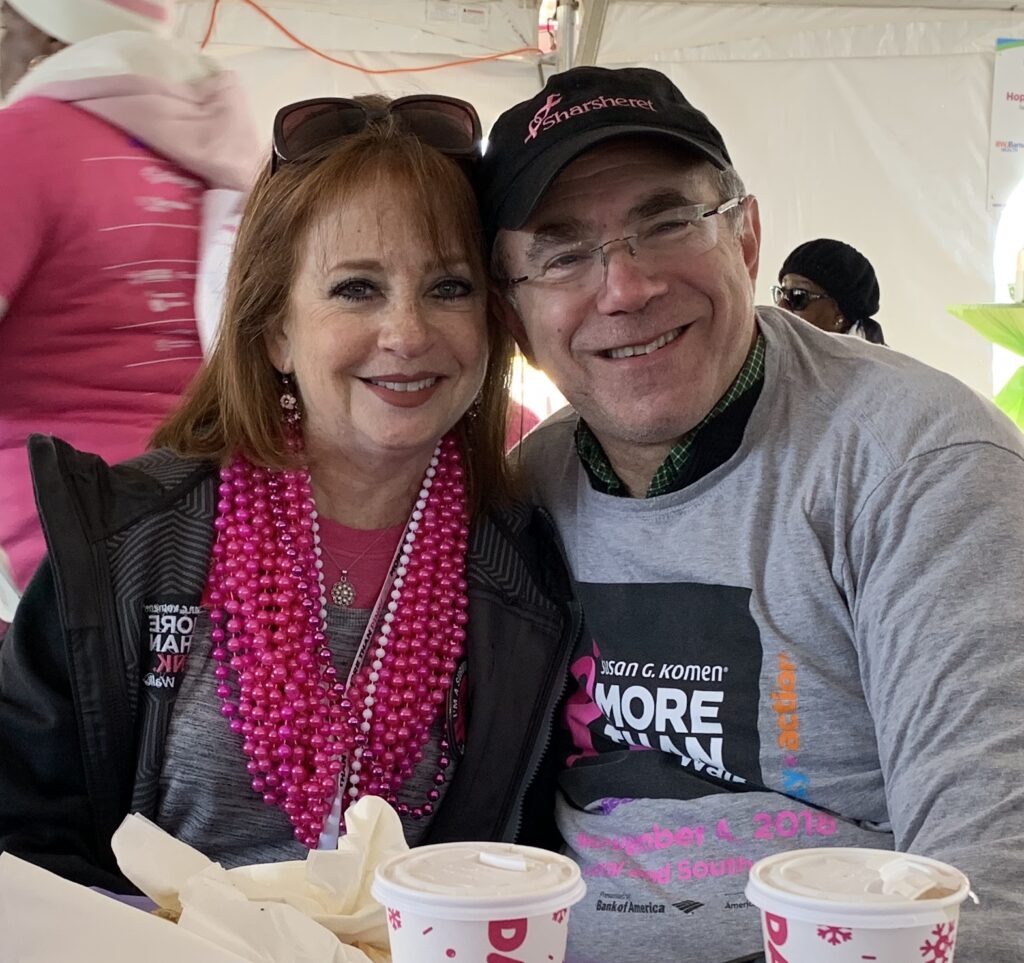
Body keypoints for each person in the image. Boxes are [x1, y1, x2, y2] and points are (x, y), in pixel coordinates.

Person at [476, 66, 1024, 962]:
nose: (624, 287)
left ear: (747, 237)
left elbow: (992, 896)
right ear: (513, 314)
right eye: (564, 252)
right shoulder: (528, 489)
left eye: (664, 222)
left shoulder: (918, 463)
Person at [0, 94, 577, 892]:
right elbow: (22, 840)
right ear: (274, 329)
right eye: (356, 289)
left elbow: (530, 861)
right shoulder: (123, 539)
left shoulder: (531, 574)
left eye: (449, 287)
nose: (407, 333)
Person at [0, 0, 259, 593]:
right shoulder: (234, 152)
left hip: (45, 569)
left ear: (35, 27)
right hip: (218, 542)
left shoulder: (24, 142)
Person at [773, 237, 886, 344]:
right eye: (780, 294)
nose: (781, 306)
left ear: (840, 315)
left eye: (797, 296)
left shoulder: (874, 364)